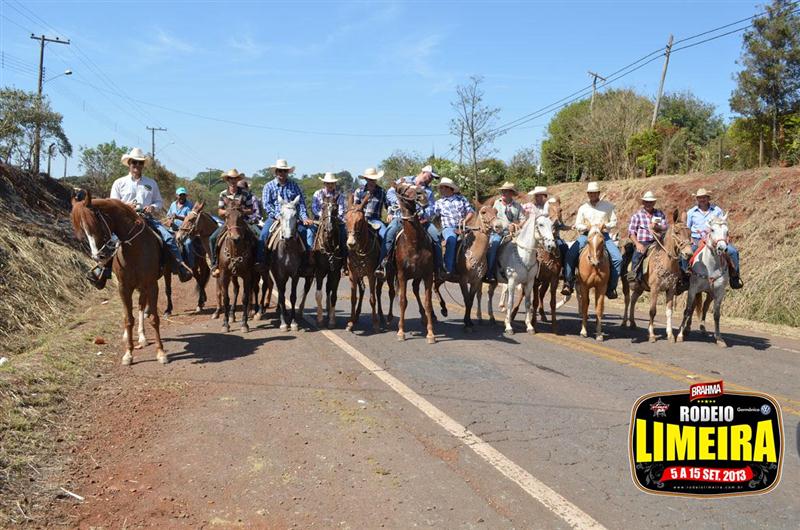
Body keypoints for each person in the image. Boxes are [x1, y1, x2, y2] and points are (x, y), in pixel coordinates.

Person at [97, 147, 192, 287]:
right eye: (134, 162)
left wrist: (152, 207)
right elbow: (112, 203)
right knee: (108, 242)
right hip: (124, 221)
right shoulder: (119, 183)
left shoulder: (151, 183)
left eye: (140, 162)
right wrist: (126, 206)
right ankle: (101, 271)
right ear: (129, 163)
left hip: (146, 219)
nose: (137, 165)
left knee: (168, 238)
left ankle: (180, 266)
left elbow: (158, 201)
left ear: (143, 165)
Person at [377, 165, 441, 278]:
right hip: (400, 217)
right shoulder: (405, 180)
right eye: (430, 176)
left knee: (436, 236)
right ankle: (382, 265)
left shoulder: (429, 191)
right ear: (423, 172)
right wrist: (399, 202)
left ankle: (439, 268)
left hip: (421, 221)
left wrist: (423, 214)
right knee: (389, 234)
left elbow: (431, 208)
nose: (431, 179)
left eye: (433, 178)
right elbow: (390, 193)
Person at [561, 181, 622, 299]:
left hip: (603, 235)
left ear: (598, 193)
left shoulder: (608, 206)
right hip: (586, 235)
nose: (592, 195)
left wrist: (605, 225)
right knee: (570, 255)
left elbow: (614, 221)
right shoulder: (583, 208)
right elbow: (578, 224)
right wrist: (586, 227)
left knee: (618, 258)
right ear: (587, 194)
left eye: (594, 193)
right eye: (590, 193)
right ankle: (568, 283)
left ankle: (611, 287)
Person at [256, 159, 313, 268]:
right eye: (280, 171)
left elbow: (301, 203)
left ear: (287, 172)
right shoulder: (268, 186)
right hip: (275, 218)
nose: (282, 173)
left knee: (304, 232)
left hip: (292, 218)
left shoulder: (294, 185)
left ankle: (306, 262)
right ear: (276, 172)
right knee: (263, 234)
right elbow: (267, 204)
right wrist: (277, 215)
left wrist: (304, 217)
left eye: (284, 171)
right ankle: (261, 261)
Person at [682, 188, 743, 289]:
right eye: (700, 198)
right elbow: (687, 228)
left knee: (733, 252)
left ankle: (735, 278)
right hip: (697, 240)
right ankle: (685, 278)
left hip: (716, 240)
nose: (702, 199)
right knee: (685, 255)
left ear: (708, 198)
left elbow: (723, 225)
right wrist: (690, 240)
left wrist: (726, 237)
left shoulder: (717, 210)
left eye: (704, 197)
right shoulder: (691, 212)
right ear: (697, 199)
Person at [210, 169, 256, 277]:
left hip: (243, 222)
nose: (233, 181)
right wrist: (228, 212)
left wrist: (241, 211)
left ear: (238, 179)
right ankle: (215, 264)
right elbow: (220, 211)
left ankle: (257, 262)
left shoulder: (245, 193)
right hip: (228, 223)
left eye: (235, 178)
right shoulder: (223, 194)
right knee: (212, 238)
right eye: (230, 178)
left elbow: (251, 210)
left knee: (257, 236)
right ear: (227, 180)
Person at [434, 177, 474, 279]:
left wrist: (465, 221)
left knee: (479, 239)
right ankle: (448, 269)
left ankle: (480, 269)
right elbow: (433, 216)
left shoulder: (462, 199)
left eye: (442, 187)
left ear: (449, 188)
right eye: (440, 188)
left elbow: (470, 212)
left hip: (463, 227)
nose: (440, 190)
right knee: (451, 240)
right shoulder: (439, 202)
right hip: (448, 228)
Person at [626, 191, 668, 283]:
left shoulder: (659, 214)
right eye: (647, 202)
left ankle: (676, 276)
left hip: (658, 241)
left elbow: (665, 227)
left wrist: (657, 227)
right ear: (643, 202)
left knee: (672, 253)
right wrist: (637, 244)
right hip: (643, 242)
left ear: (654, 202)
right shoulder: (637, 216)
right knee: (637, 255)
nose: (649, 204)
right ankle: (634, 276)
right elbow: (631, 232)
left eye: (651, 202)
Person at [486, 182, 524, 281]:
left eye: (506, 191)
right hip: (499, 232)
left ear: (511, 193)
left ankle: (527, 273)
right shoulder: (497, 203)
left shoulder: (517, 206)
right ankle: (490, 273)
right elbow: (491, 217)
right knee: (494, 246)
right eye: (502, 191)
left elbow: (523, 219)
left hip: (514, 233)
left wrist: (516, 225)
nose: (503, 193)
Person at [524, 185, 570, 265]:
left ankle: (566, 271)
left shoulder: (552, 208)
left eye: (537, 196)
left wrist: (568, 227)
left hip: (552, 237)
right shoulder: (532, 208)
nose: (535, 198)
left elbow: (559, 224)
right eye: (535, 196)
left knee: (565, 250)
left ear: (543, 196)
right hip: (536, 238)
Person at [308, 172, 347, 257]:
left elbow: (341, 210)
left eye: (332, 183)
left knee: (343, 233)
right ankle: (310, 255)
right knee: (310, 232)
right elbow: (314, 208)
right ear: (324, 183)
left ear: (335, 184)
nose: (330, 185)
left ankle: (344, 257)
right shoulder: (318, 193)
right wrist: (323, 216)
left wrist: (333, 217)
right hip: (319, 219)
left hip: (335, 220)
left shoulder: (339, 195)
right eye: (328, 183)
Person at [354, 167, 389, 247]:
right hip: (361, 220)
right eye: (370, 179)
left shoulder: (382, 191)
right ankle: (345, 253)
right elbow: (355, 207)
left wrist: (390, 213)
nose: (372, 181)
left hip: (376, 220)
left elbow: (388, 205)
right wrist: (362, 204)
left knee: (385, 236)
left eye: (374, 179)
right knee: (349, 235)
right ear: (366, 179)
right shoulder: (359, 191)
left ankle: (385, 254)